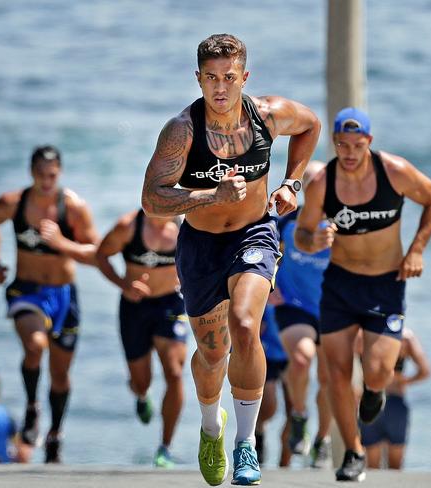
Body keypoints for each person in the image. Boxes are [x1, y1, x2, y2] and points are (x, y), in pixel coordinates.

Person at [142, 33, 320, 486]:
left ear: (244, 76)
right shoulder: (182, 130)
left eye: (229, 78)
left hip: (254, 232)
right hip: (201, 246)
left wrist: (291, 184)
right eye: (210, 79)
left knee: (244, 324)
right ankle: (210, 427)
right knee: (212, 352)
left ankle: (246, 444)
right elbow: (152, 200)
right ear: (198, 78)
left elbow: (311, 126)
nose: (220, 88)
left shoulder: (267, 115)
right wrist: (209, 194)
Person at [295, 107, 431, 482]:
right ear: (334, 143)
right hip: (341, 284)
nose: (348, 153)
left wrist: (417, 250)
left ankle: (374, 393)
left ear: (369, 143)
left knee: (378, 372)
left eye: (356, 145)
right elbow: (301, 233)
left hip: (385, 285)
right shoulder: (322, 184)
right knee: (336, 374)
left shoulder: (393, 172)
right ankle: (354, 453)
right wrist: (316, 241)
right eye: (342, 145)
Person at [0, 145, 99, 463]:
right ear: (30, 172)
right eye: (40, 174)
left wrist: (61, 243)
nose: (46, 181)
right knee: (35, 347)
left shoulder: (73, 208)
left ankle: (55, 434)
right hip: (27, 291)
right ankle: (33, 406)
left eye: (52, 175)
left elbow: (95, 253)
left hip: (63, 296)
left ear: (59, 173)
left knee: (60, 375)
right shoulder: (14, 203)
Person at [96, 210, 188, 468]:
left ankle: (165, 448)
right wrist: (123, 284)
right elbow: (101, 255)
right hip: (134, 307)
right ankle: (141, 395)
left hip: (171, 304)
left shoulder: (184, 228)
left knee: (175, 373)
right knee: (141, 381)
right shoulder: (127, 226)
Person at [273, 160, 332, 468]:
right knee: (301, 358)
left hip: (334, 309)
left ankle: (322, 439)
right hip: (294, 306)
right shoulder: (287, 221)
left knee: (331, 379)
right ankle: (299, 415)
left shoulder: (340, 224)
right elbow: (265, 253)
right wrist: (268, 286)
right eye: (308, 184)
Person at [357, 327, 431, 469]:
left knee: (372, 466)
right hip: (395, 401)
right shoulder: (405, 337)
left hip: (369, 399)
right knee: (395, 467)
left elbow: (343, 367)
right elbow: (425, 371)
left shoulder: (362, 334)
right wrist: (402, 380)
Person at [254, 304, 291, 468]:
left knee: (294, 409)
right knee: (268, 404)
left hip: (292, 349)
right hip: (269, 351)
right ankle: (258, 431)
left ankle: (285, 463)